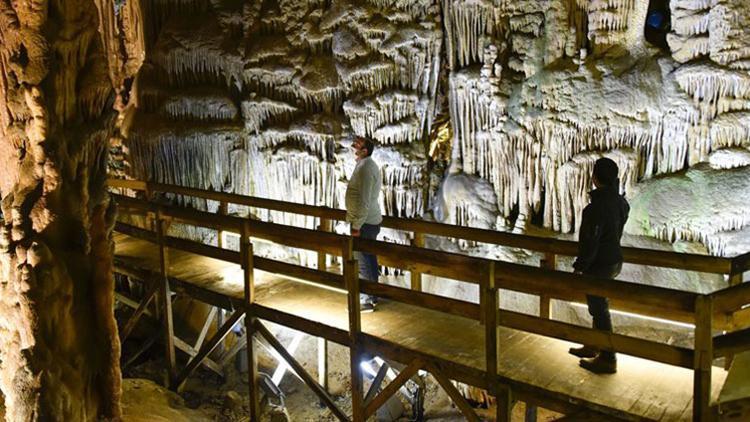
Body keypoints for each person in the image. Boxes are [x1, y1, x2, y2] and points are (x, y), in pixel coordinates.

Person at [568, 157, 630, 374]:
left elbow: (590, 243)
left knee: (600, 310)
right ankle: (594, 345)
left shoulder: (594, 209)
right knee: (598, 306)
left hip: (599, 265)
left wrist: (580, 266)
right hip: (614, 261)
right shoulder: (621, 203)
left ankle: (608, 357)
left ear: (594, 179)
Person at [345, 136, 383, 312]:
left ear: (365, 151)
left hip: (365, 222)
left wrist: (356, 225)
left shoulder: (367, 167)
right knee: (369, 258)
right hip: (366, 221)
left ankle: (367, 299)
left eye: (358, 145)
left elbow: (365, 200)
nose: (354, 146)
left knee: (363, 260)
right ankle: (373, 294)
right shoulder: (364, 165)